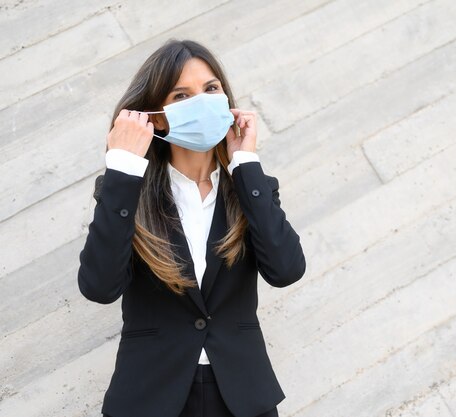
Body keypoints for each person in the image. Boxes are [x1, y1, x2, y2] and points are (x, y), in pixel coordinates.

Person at [77, 39, 306, 417]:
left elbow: (287, 270)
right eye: (181, 94)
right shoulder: (125, 192)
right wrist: (122, 167)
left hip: (242, 395)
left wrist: (245, 161)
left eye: (210, 88)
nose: (201, 101)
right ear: (156, 115)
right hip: (149, 396)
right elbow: (99, 287)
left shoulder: (249, 188)